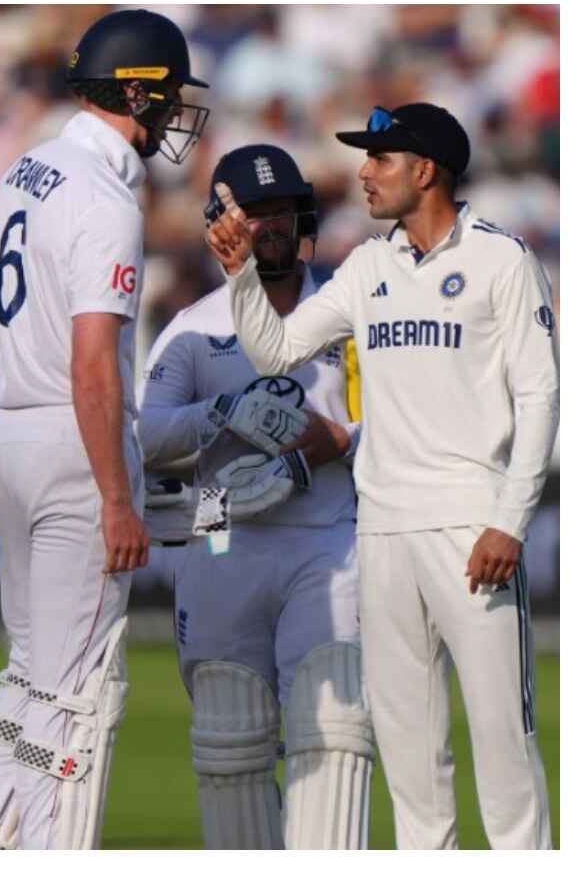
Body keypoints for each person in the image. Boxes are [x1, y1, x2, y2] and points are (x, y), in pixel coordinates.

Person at [211, 102, 556, 849]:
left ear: (424, 170)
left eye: (380, 160)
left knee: (504, 753)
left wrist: (509, 520)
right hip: (384, 532)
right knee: (411, 759)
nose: (362, 173)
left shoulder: (502, 259)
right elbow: (276, 353)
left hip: (473, 531)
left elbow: (542, 396)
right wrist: (240, 275)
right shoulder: (368, 265)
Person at [0, 8, 209, 850]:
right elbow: (95, 363)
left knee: (27, 678)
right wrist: (117, 499)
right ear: (134, 91)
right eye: (166, 98)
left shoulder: (26, 169)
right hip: (72, 446)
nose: (173, 116)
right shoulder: (103, 198)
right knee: (78, 696)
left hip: (13, 439)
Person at [139, 144, 374, 849]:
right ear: (220, 223)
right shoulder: (195, 328)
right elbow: (146, 437)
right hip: (219, 528)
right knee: (229, 736)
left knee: (334, 734)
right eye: (253, 212)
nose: (269, 225)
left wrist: (344, 442)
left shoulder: (346, 313)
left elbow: (399, 417)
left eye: (280, 210)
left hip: (327, 535)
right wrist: (222, 414)